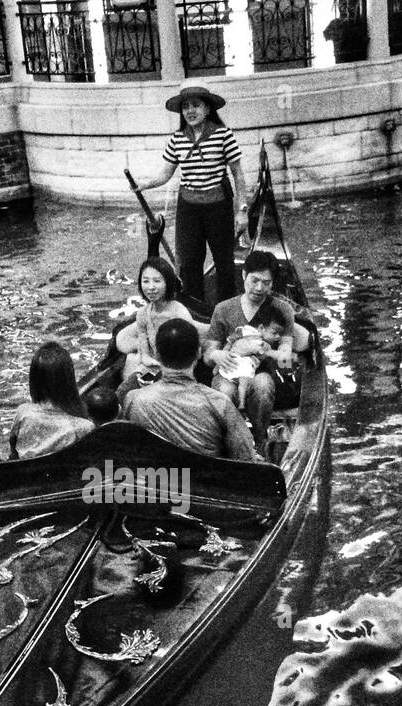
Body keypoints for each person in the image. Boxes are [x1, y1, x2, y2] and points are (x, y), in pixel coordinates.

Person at [136, 80, 246, 304]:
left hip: (219, 206)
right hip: (189, 209)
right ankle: (194, 307)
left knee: (224, 261)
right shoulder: (177, 139)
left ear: (207, 108)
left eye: (196, 105)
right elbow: (165, 174)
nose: (190, 111)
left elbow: (238, 174)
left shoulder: (223, 135)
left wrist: (242, 211)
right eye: (186, 107)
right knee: (189, 263)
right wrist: (143, 185)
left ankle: (226, 308)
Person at [201, 250, 310, 451]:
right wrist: (218, 354)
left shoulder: (282, 310)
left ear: (272, 283)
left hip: (265, 373)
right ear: (244, 276)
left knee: (261, 386)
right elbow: (208, 356)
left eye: (266, 283)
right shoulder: (223, 309)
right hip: (228, 372)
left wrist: (265, 352)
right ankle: (225, 444)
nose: (259, 288)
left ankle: (260, 441)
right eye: (254, 280)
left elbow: (286, 360)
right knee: (225, 391)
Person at [122, 318, 259, 462]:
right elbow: (245, 459)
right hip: (207, 482)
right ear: (198, 353)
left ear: (156, 355)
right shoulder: (219, 403)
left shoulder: (133, 399)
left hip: (156, 481)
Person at [8, 341, 95, 460]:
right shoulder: (85, 428)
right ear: (69, 380)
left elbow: (13, 453)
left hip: (24, 475)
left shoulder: (23, 413)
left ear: (34, 380)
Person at [115, 257, 196, 382]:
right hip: (151, 367)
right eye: (146, 281)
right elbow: (144, 348)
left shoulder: (179, 314)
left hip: (176, 373)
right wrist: (147, 360)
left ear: (168, 283)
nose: (151, 287)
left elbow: (192, 355)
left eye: (157, 281)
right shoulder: (142, 314)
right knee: (125, 389)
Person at [213, 304, 287, 411]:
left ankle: (259, 426)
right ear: (261, 328)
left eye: (280, 334)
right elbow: (217, 349)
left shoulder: (276, 342)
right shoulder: (241, 331)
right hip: (230, 369)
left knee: (263, 384)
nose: (277, 336)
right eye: (274, 333)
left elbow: (284, 364)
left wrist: (279, 356)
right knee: (226, 391)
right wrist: (218, 358)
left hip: (256, 375)